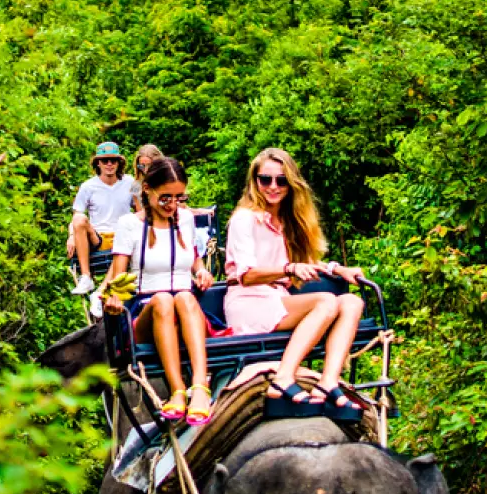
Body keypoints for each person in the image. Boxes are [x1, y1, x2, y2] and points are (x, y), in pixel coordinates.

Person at [222, 147, 367, 420]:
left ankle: (328, 383)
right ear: (255, 182)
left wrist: (338, 269)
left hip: (278, 299)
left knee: (352, 301)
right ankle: (283, 378)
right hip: (250, 300)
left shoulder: (288, 220)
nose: (273, 187)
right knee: (325, 300)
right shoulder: (244, 219)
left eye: (281, 180)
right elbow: (246, 274)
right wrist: (288, 269)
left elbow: (307, 261)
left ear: (291, 183)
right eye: (266, 179)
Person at [103, 156, 217, 425]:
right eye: (166, 198)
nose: (173, 205)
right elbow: (118, 277)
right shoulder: (130, 225)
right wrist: (113, 299)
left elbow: (194, 259)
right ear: (147, 190)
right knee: (165, 299)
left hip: (185, 308)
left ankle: (200, 387)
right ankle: (177, 389)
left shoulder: (186, 220)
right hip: (148, 311)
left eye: (179, 198)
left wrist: (201, 271)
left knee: (185, 297)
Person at [67, 141, 134, 295]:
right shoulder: (88, 186)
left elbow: (140, 207)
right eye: (105, 161)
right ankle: (86, 277)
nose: (109, 164)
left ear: (119, 163)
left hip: (122, 235)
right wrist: (71, 236)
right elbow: (76, 215)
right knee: (79, 219)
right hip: (98, 238)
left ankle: (103, 293)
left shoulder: (130, 181)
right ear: (98, 163)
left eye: (113, 160)